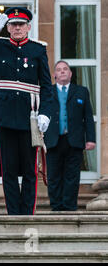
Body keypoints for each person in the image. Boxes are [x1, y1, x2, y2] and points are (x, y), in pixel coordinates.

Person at [0, 7, 54, 215]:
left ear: (28, 27)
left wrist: (45, 112)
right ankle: (13, 214)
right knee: (8, 169)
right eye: (13, 24)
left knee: (29, 169)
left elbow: (46, 86)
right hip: (5, 115)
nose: (17, 28)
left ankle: (27, 214)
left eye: (21, 24)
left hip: (30, 116)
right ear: (7, 27)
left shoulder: (38, 50)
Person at [44, 60, 96, 211]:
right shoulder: (47, 92)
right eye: (59, 69)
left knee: (72, 176)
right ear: (54, 75)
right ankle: (56, 206)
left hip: (74, 140)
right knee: (54, 176)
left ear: (70, 74)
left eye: (65, 69)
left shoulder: (81, 91)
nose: (62, 71)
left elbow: (88, 117)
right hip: (53, 139)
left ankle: (69, 206)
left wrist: (91, 139)